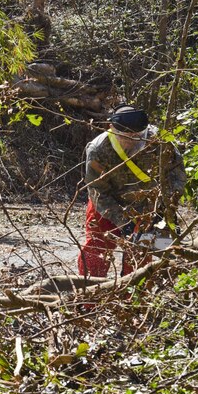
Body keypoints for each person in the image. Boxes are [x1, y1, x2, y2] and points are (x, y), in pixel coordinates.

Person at [78, 105, 186, 278]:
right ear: (112, 129)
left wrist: (164, 207)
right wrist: (123, 221)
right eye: (127, 137)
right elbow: (97, 191)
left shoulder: (159, 141)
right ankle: (89, 297)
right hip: (108, 204)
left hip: (146, 205)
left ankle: (132, 297)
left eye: (137, 136)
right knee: (96, 249)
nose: (132, 141)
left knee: (142, 253)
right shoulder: (98, 149)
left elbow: (177, 177)